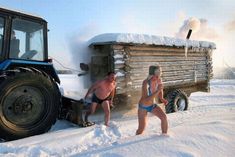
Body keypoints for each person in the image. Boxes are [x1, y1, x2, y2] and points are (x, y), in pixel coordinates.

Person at [136, 65, 168, 135]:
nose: (158, 76)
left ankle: (165, 137)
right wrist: (157, 91)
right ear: (152, 74)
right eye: (157, 74)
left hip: (152, 105)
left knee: (164, 118)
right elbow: (146, 99)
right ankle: (132, 143)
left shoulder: (159, 79)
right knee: (141, 128)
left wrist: (162, 98)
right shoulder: (146, 82)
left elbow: (160, 89)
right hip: (143, 106)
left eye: (160, 73)